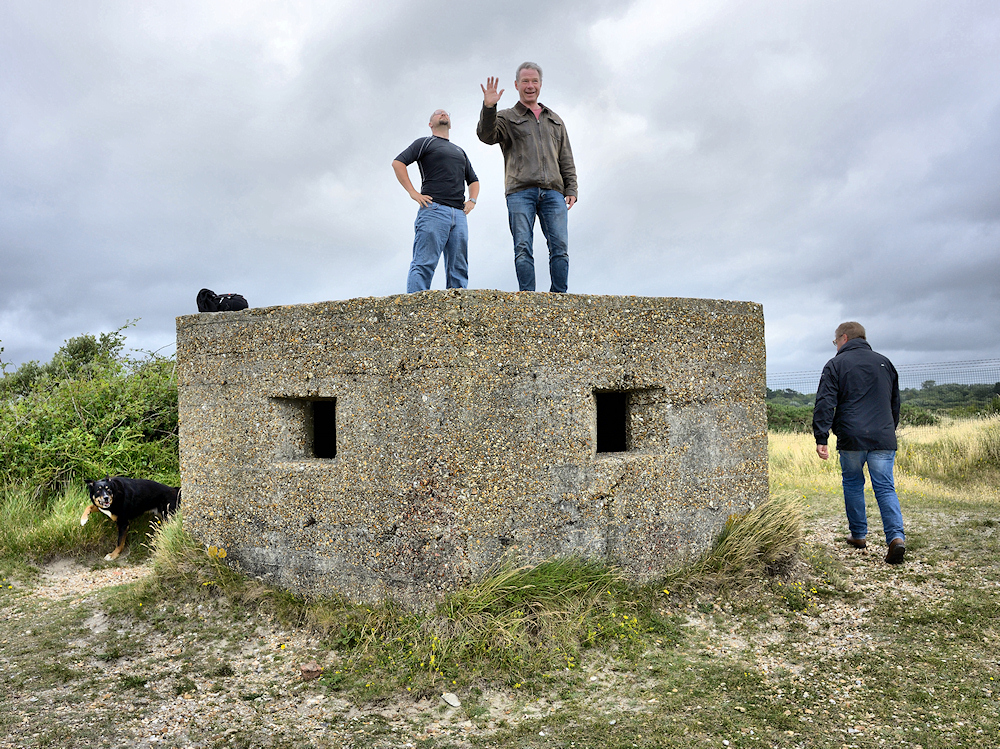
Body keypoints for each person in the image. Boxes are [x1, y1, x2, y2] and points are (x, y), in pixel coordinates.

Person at [477, 62, 578, 293]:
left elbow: (566, 157)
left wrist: (571, 187)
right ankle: (527, 299)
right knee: (522, 247)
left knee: (560, 248)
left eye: (534, 81)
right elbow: (486, 135)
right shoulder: (507, 117)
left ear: (540, 84)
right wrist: (489, 108)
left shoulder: (555, 119)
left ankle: (559, 299)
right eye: (525, 81)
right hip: (520, 192)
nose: (530, 86)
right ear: (516, 85)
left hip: (554, 192)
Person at [813, 321, 906, 564]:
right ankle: (896, 538)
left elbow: (825, 402)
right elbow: (894, 403)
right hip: (883, 437)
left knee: (853, 483)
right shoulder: (885, 363)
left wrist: (821, 436)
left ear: (844, 338)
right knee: (885, 487)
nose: (835, 346)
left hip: (851, 437)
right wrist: (888, 430)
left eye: (835, 341)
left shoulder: (835, 364)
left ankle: (858, 535)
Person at [393, 109, 480, 293]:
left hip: (459, 215)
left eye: (446, 113)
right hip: (434, 210)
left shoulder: (459, 151)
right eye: (438, 113)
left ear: (450, 124)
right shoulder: (425, 143)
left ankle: (457, 308)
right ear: (430, 124)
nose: (443, 114)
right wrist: (413, 192)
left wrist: (472, 200)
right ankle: (416, 306)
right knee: (424, 262)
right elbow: (398, 163)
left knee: (459, 267)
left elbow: (473, 180)